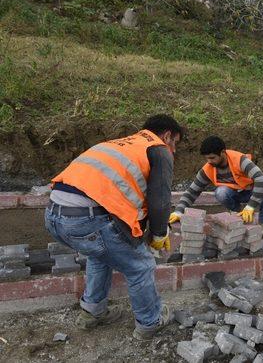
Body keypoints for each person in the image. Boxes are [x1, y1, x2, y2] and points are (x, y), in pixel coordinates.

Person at [45, 114, 183, 340]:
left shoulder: (117, 145)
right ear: (167, 136)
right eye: (175, 143)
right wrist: (159, 234)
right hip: (86, 219)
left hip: (53, 215)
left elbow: (120, 197)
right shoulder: (158, 149)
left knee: (100, 253)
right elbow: (160, 200)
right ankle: (150, 323)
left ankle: (93, 313)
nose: (174, 150)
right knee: (140, 265)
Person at [169, 136, 263, 237]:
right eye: (207, 158)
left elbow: (261, 180)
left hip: (251, 192)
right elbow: (192, 192)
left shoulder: (240, 160)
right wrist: (179, 211)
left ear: (223, 152)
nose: (209, 161)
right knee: (221, 192)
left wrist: (250, 206)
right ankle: (236, 215)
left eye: (212, 158)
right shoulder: (208, 169)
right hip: (235, 194)